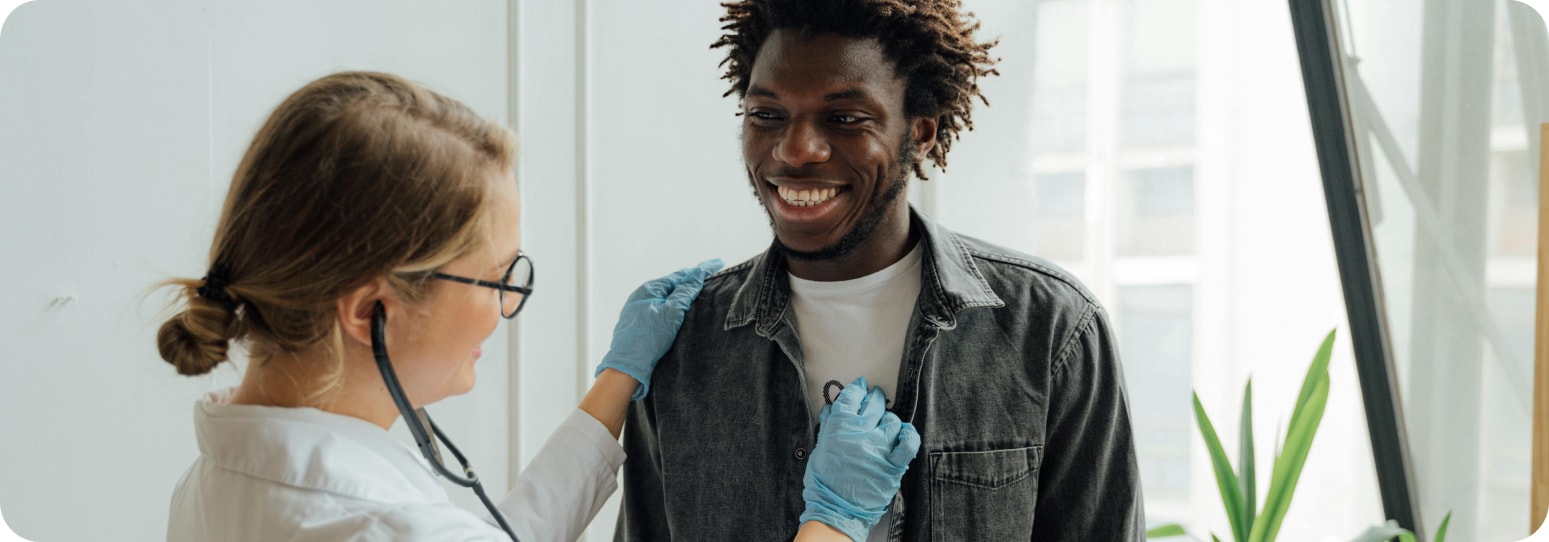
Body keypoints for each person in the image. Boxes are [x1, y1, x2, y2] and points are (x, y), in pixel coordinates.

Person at [157, 71, 918, 542]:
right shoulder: (380, 524)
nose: (505, 306)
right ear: (370, 314)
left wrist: (618, 379)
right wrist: (833, 523)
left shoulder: (219, 480)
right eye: (496, 278)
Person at [615, 1, 1145, 540]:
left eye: (844, 118)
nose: (796, 150)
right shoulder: (682, 345)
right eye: (767, 115)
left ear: (920, 133)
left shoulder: (1051, 330)